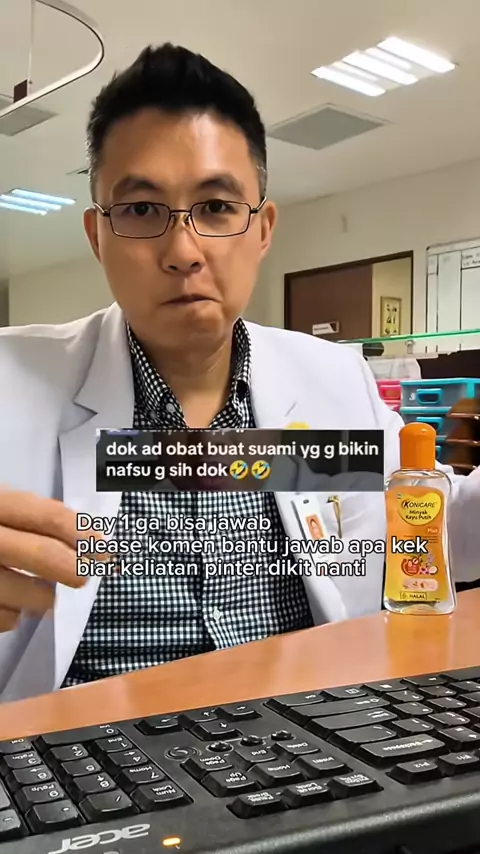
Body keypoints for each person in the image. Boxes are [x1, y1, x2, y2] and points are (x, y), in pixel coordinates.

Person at [0, 43, 478, 703]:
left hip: (316, 739)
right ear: (96, 235)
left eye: (218, 208)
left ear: (263, 229)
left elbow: (435, 522)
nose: (183, 251)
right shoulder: (12, 383)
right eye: (141, 210)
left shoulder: (333, 382)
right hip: (83, 749)